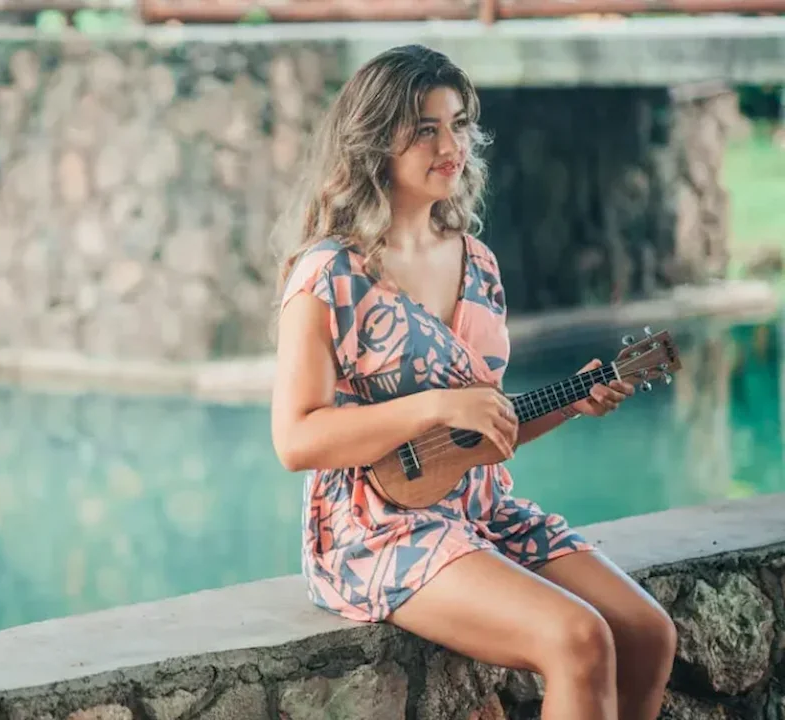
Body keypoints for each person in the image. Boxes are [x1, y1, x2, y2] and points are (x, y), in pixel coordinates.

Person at [269, 45, 677, 720]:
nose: (450, 143)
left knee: (646, 631)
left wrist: (573, 400)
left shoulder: (477, 262)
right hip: (375, 529)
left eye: (458, 123)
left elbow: (479, 431)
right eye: (425, 128)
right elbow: (295, 440)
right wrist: (432, 403)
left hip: (477, 510)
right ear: (376, 141)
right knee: (578, 640)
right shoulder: (328, 274)